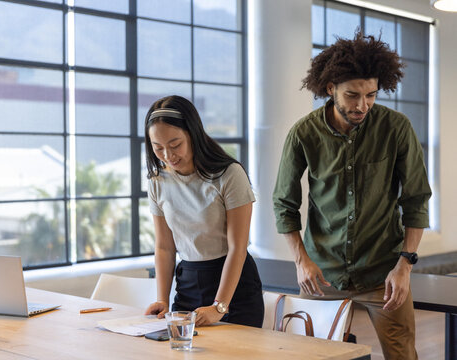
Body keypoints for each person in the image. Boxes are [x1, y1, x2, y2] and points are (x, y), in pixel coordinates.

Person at [273, 32, 431, 359]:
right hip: (322, 274)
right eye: (352, 95)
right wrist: (301, 261)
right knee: (317, 356)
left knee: (403, 355)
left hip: (384, 272)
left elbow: (416, 200)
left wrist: (405, 265)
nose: (362, 105)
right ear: (330, 89)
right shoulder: (303, 133)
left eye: (371, 95)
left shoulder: (396, 128)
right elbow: (284, 204)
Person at [144, 95, 264, 328]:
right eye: (158, 148)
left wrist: (220, 307)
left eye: (175, 144)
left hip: (233, 287)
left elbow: (237, 248)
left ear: (193, 134)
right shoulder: (158, 181)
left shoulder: (229, 174)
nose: (168, 155)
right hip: (187, 282)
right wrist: (162, 299)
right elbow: (164, 247)